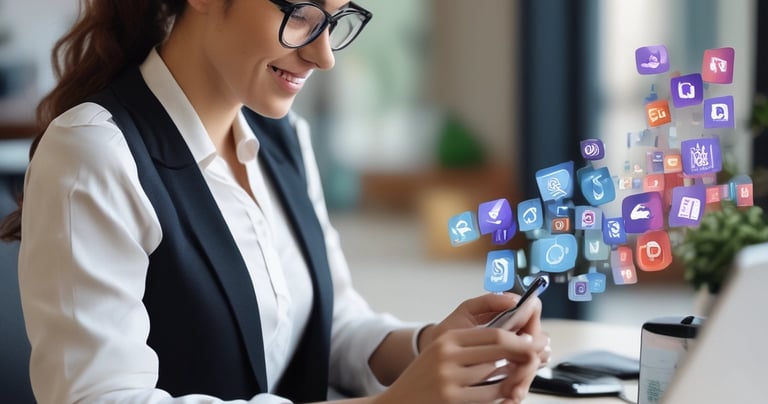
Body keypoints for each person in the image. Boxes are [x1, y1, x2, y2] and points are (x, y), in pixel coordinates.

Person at [0, 1, 551, 403]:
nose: (324, 55)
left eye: (336, 21)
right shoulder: (95, 153)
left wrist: (429, 345)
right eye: (304, 15)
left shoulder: (284, 138)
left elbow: (328, 324)